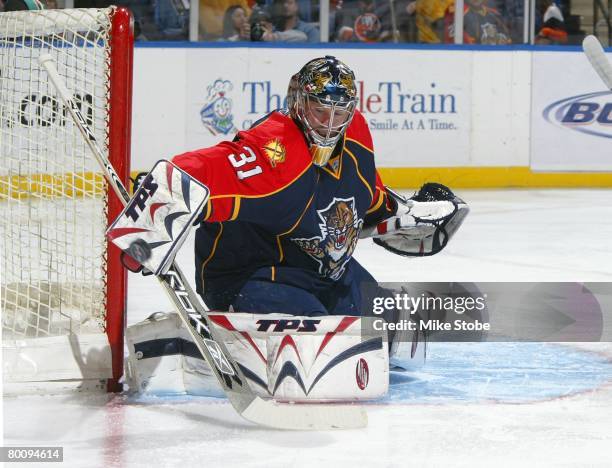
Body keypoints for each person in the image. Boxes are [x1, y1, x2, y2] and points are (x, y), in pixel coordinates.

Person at [168, 56, 465, 316]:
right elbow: (205, 169)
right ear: (298, 103)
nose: (329, 123)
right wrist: (163, 193)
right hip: (251, 277)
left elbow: (366, 199)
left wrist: (405, 214)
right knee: (319, 331)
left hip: (321, 273)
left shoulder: (356, 135)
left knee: (383, 321)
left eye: (340, 112)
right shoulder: (275, 147)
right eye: (320, 110)